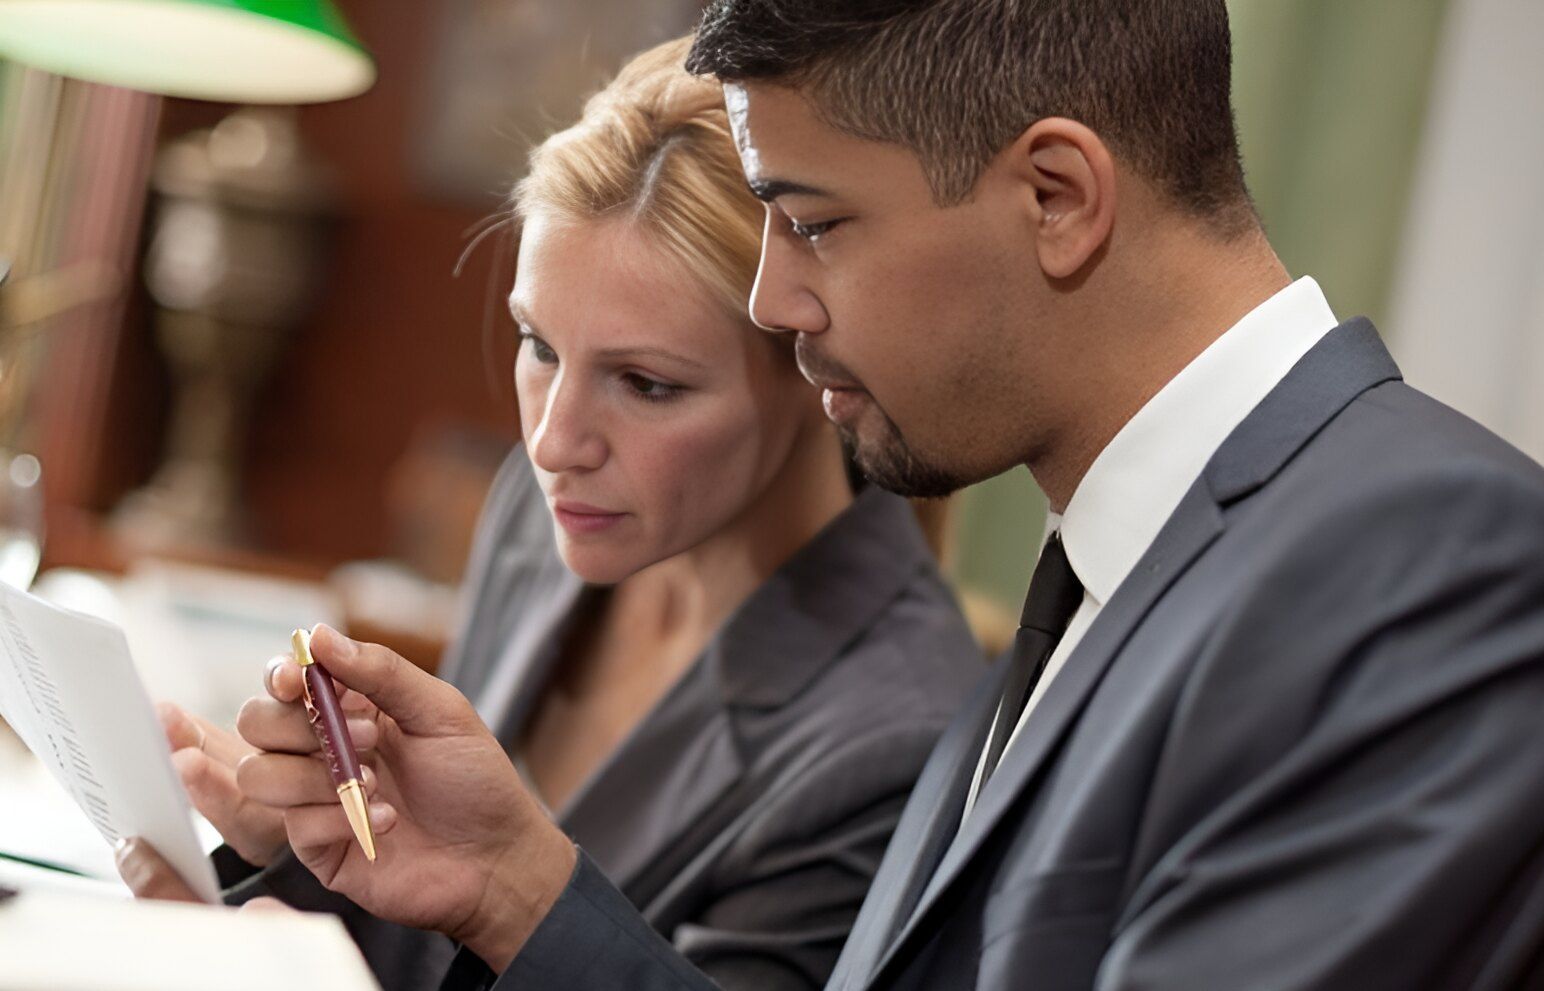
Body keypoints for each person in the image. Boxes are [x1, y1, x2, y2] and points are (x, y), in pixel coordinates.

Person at [130, 2, 1544, 988]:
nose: (777, 301)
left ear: (1058, 195)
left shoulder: (1439, 561)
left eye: (813, 223)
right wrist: (518, 885)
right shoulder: (1119, 560)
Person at [121, 36, 983, 991]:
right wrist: (280, 871)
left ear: (815, 366)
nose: (553, 442)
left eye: (646, 383)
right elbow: (441, 945)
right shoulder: (546, 521)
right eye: (539, 344)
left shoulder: (894, 740)